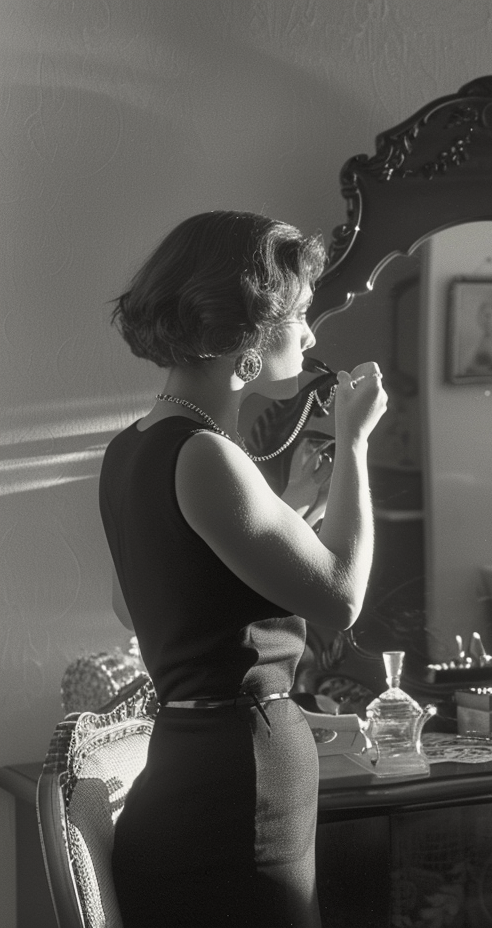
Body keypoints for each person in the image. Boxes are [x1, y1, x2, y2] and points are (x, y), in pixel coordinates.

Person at [99, 210, 387, 928]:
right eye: (300, 316)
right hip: (240, 789)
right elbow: (342, 597)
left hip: (196, 778)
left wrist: (293, 506)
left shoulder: (133, 448)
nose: (313, 336)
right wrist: (353, 448)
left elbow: (144, 603)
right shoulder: (208, 456)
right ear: (250, 333)